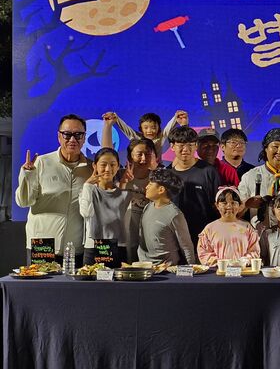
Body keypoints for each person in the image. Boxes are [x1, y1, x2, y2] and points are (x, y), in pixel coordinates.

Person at [16, 114, 93, 264]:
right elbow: (24, 202)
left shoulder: (91, 168)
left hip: (75, 248)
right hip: (42, 245)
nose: (72, 139)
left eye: (78, 135)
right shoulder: (41, 163)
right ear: (59, 136)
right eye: (67, 134)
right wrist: (27, 175)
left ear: (84, 138)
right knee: (41, 281)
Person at [79, 148, 135, 268]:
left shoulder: (125, 193)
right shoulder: (88, 190)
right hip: (93, 247)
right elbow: (86, 213)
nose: (108, 169)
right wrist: (87, 185)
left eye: (113, 165)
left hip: (118, 247)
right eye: (103, 165)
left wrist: (123, 185)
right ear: (95, 166)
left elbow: (125, 224)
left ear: (118, 167)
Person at [167, 126, 221, 248]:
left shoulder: (208, 171)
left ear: (196, 146)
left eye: (190, 145)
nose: (185, 149)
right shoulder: (168, 175)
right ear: (172, 146)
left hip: (204, 238)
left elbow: (217, 206)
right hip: (174, 238)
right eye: (181, 145)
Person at [138, 168, 196, 265]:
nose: (146, 187)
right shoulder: (147, 207)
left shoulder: (175, 214)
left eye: (150, 184)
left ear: (161, 189)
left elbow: (186, 246)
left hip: (167, 269)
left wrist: (191, 268)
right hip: (145, 267)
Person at [197, 187, 260, 266]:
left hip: (242, 271)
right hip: (218, 271)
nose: (229, 206)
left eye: (233, 203)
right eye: (224, 203)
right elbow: (204, 252)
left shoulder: (247, 227)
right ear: (217, 205)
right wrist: (220, 263)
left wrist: (243, 261)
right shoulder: (209, 229)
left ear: (240, 205)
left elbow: (254, 251)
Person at [120, 138, 158, 263]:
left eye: (147, 154)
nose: (143, 159)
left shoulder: (158, 179)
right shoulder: (119, 176)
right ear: (130, 157)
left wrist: (156, 176)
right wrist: (122, 184)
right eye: (139, 154)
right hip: (125, 238)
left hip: (149, 238)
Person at [101, 109, 187, 161]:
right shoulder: (137, 139)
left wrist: (176, 117)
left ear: (158, 128)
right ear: (141, 129)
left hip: (156, 169)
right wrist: (116, 118)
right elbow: (126, 129)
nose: (149, 131)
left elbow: (169, 127)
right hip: (139, 169)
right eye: (146, 128)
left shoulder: (160, 137)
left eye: (153, 127)